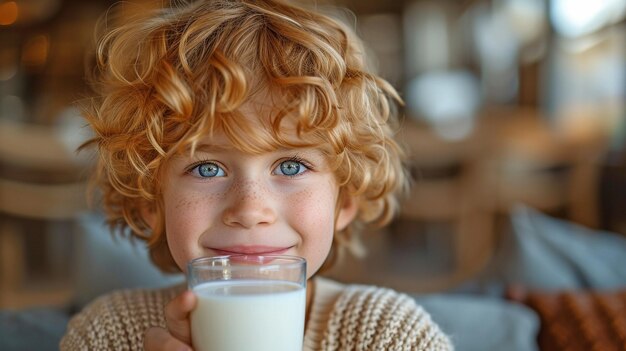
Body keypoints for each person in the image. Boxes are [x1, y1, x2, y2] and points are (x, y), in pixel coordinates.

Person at [61, 0, 453, 349]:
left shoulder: (390, 334)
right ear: (152, 201)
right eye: (207, 168)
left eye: (291, 166)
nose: (250, 210)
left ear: (345, 199)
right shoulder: (107, 334)